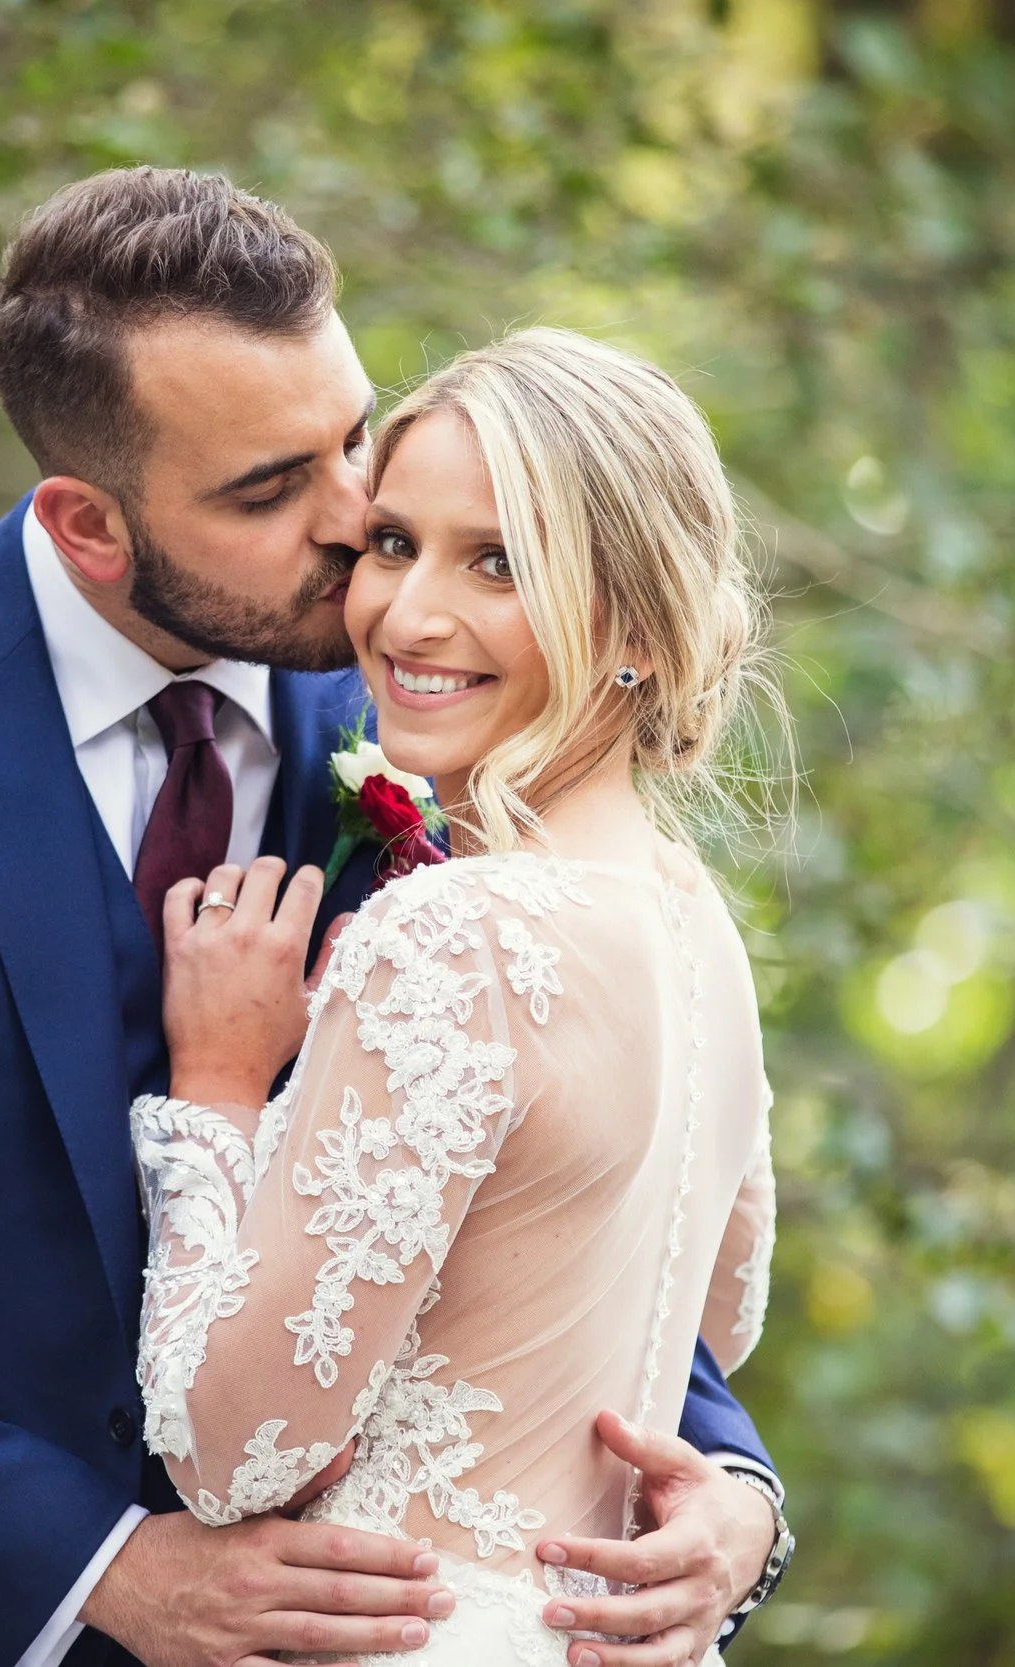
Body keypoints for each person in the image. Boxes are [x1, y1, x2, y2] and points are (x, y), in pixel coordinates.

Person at [0, 169, 784, 1667]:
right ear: (89, 522)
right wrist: (98, 1569)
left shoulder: (432, 716)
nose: (360, 526)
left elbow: (547, 1170)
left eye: (350, 439)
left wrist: (732, 1485)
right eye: (272, 489)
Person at [131, 327, 789, 1667]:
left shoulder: (454, 927)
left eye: (498, 563)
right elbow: (719, 1319)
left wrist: (215, 1086)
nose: (408, 615)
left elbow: (227, 1448)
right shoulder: (694, 918)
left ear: (638, 626)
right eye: (392, 543)